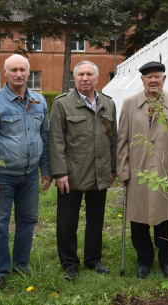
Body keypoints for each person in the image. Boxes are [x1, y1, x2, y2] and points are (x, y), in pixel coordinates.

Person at [0, 54, 51, 289]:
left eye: (22, 69)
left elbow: (45, 138)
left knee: (28, 221)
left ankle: (22, 265)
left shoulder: (39, 101)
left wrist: (45, 170)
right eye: (13, 70)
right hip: (3, 176)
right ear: (5, 72)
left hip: (29, 175)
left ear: (29, 72)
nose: (18, 74)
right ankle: (0, 271)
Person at [49, 61, 117, 281]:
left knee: (96, 219)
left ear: (97, 78)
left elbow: (112, 138)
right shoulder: (62, 103)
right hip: (72, 174)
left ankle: (93, 259)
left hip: (99, 172)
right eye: (80, 74)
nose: (85, 78)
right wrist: (59, 173)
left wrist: (113, 167)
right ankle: (69, 263)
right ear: (74, 78)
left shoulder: (108, 103)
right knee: (67, 222)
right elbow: (56, 140)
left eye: (89, 74)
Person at [116, 61, 168, 279]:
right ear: (142, 80)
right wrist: (123, 171)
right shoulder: (129, 103)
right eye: (148, 77)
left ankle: (166, 261)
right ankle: (144, 260)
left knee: (165, 220)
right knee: (138, 219)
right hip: (138, 171)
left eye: (157, 76)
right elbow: (122, 141)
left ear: (164, 79)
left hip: (166, 172)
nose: (153, 80)